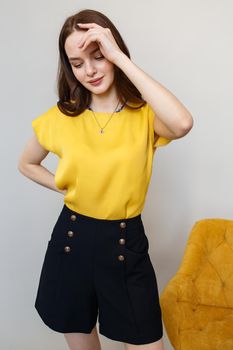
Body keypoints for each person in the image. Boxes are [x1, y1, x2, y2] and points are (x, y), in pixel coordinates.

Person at [18, 8, 193, 350]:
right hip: (72, 240)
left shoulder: (144, 115)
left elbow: (183, 123)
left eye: (97, 56)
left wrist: (119, 58)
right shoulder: (61, 116)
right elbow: (26, 163)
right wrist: (65, 185)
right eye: (77, 62)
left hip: (126, 244)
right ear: (68, 67)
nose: (90, 70)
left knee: (146, 341)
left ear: (113, 53)